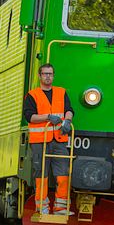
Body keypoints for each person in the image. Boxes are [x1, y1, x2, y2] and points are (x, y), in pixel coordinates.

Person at [22, 63, 74, 215]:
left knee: (63, 172)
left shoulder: (61, 92)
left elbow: (69, 110)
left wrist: (67, 121)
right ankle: (42, 207)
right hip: (40, 141)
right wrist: (47, 117)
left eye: (50, 74)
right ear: (39, 76)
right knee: (41, 173)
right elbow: (29, 116)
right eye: (45, 74)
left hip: (59, 140)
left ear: (53, 76)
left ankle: (61, 207)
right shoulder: (33, 95)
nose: (47, 76)